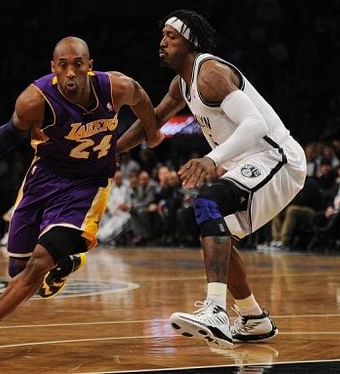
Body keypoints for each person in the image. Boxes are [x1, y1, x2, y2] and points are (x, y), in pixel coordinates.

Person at [0, 36, 163, 358]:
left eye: (78, 65)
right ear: (54, 68)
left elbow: (140, 98)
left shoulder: (116, 87)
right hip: (43, 180)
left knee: (38, 263)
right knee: (19, 271)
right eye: (64, 66)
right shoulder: (35, 99)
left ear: (90, 67)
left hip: (87, 185)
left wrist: (151, 133)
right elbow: (9, 133)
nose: (71, 72)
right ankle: (66, 262)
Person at [116, 9, 306, 348]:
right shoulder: (182, 83)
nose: (162, 43)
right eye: (161, 36)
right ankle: (253, 318)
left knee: (207, 202)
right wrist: (112, 151)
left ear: (190, 42)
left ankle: (216, 310)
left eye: (170, 37)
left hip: (276, 158)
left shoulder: (210, 73)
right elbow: (153, 121)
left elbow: (255, 126)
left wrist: (210, 158)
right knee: (219, 234)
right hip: (248, 164)